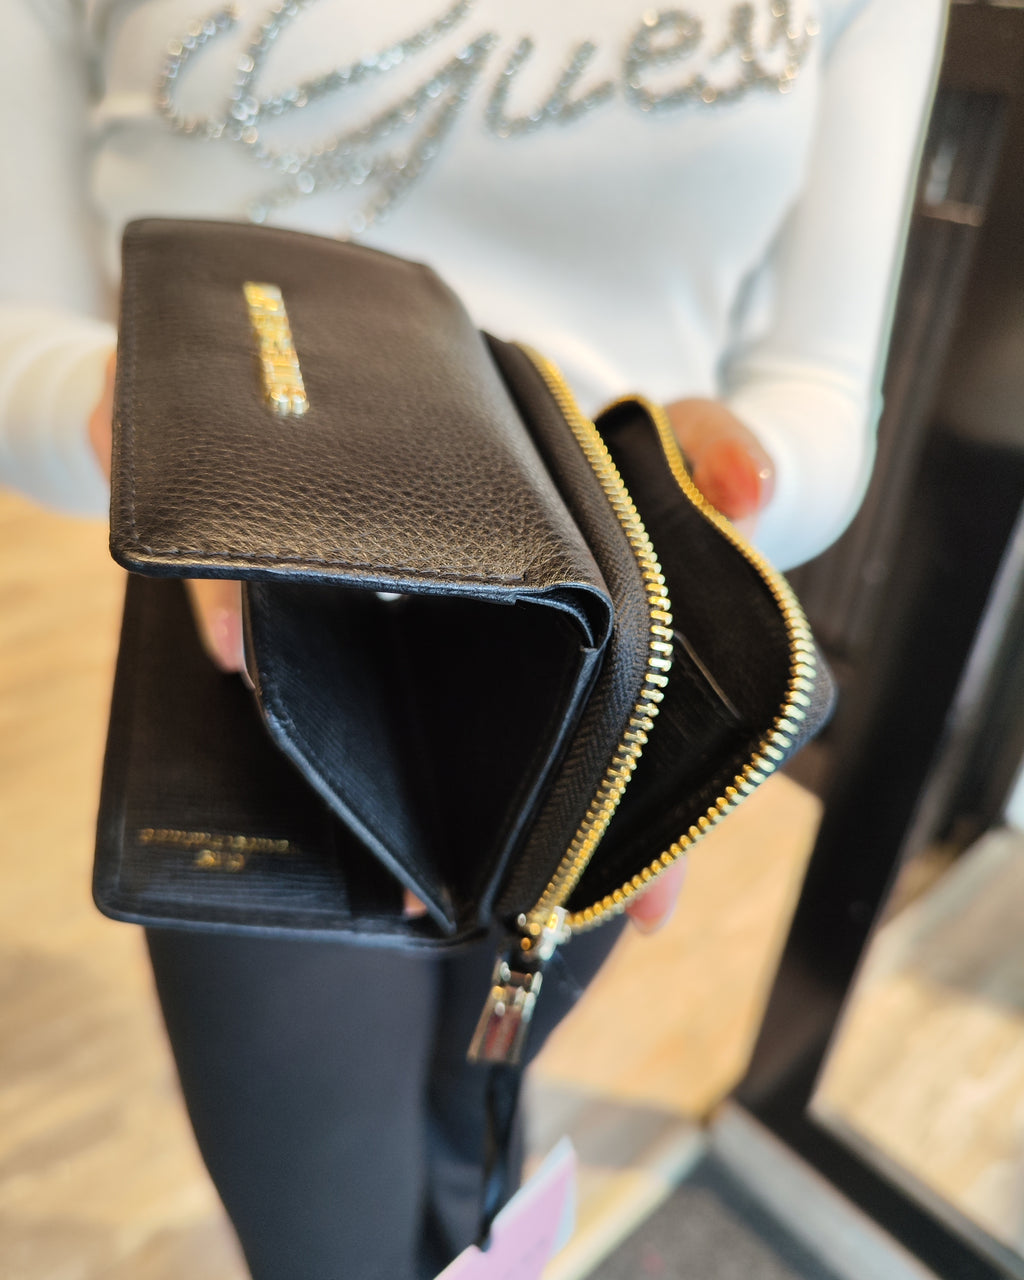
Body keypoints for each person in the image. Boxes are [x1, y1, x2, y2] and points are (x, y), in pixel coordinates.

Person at [1, 1, 946, 1276]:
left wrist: (725, 505)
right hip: (261, 635)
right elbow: (20, 337)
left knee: (474, 1125)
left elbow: (817, 388)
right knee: (327, 1229)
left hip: (596, 651)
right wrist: (155, 425)